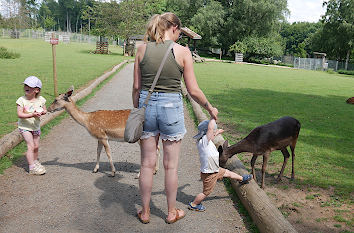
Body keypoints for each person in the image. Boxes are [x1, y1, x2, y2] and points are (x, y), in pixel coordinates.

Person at [132, 12, 219, 224]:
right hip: (171, 106)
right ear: (174, 28)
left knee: (146, 164)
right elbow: (193, 90)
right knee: (171, 166)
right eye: (179, 32)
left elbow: (136, 87)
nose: (179, 36)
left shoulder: (141, 49)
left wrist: (138, 110)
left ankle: (145, 213)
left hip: (147, 106)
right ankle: (171, 213)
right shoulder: (182, 52)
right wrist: (209, 108)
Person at [188, 119, 252, 212]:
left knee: (228, 173)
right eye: (213, 132)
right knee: (206, 192)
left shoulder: (205, 140)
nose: (213, 134)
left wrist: (217, 132)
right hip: (210, 173)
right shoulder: (204, 142)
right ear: (207, 133)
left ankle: (242, 179)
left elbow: (211, 133)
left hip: (215, 169)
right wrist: (212, 117)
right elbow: (210, 131)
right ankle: (194, 204)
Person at [16, 76, 47, 175]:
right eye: (25, 85)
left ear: (37, 90)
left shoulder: (41, 100)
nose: (26, 87)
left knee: (36, 146)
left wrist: (42, 112)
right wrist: (32, 114)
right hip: (25, 127)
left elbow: (44, 110)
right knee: (31, 146)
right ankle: (32, 167)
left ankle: (35, 161)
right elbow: (19, 114)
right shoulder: (21, 100)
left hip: (36, 127)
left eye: (30, 86)